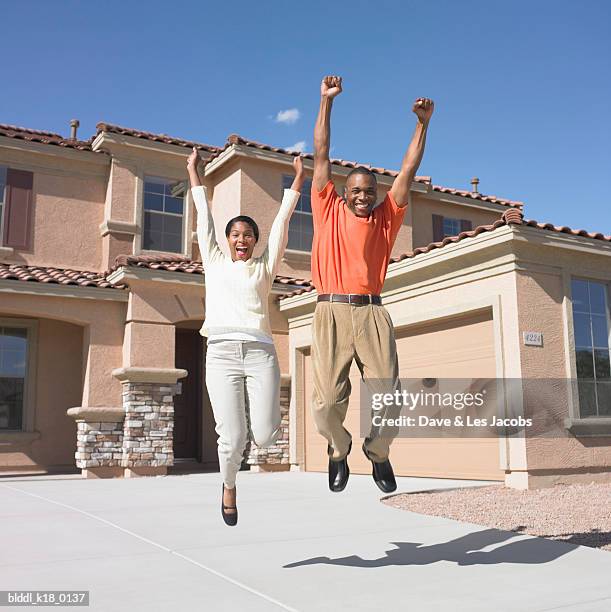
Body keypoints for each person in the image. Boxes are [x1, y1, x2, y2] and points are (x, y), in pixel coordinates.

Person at [311, 75, 434, 493]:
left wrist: (422, 123)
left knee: (391, 400)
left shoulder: (387, 217)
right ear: (343, 193)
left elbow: (409, 168)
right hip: (330, 312)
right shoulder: (327, 207)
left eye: (369, 191)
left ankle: (378, 453)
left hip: (373, 312)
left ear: (376, 194)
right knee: (327, 404)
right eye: (356, 190)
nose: (363, 196)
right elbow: (321, 151)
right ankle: (338, 448)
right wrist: (326, 102)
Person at [187, 147, 304, 525]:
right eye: (235, 234)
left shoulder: (264, 267)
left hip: (260, 354)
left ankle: (251, 454)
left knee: (267, 436)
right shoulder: (214, 262)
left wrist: (297, 179)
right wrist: (194, 172)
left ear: (255, 240)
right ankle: (229, 486)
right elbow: (203, 216)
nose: (241, 239)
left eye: (248, 234)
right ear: (227, 240)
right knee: (232, 437)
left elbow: (283, 221)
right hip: (221, 354)